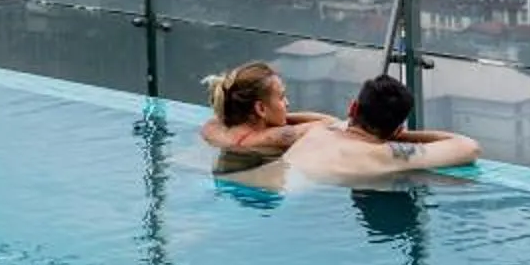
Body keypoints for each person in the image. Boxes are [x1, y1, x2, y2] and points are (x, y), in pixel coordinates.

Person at [282, 74, 481, 183]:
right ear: (397, 129)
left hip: (259, 184)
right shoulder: (384, 155)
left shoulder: (320, 132)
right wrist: (402, 137)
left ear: (353, 107)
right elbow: (469, 147)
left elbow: (332, 121)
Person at [199, 61, 336, 170]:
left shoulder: (212, 127)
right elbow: (332, 124)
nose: (287, 104)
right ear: (260, 108)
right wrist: (283, 117)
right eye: (282, 97)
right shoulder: (272, 138)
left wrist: (274, 114)